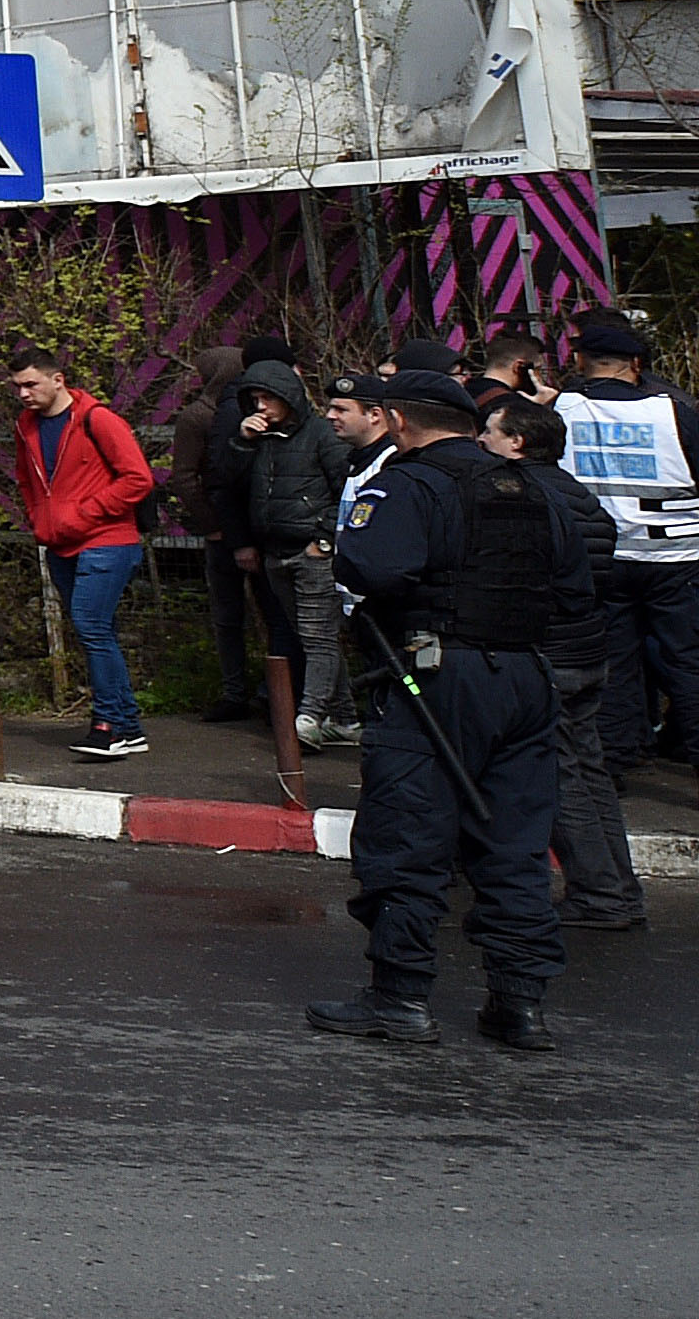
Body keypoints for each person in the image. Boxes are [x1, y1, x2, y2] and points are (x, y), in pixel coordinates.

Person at [311, 373, 567, 1045]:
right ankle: (519, 1003)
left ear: (395, 420)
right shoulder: (526, 485)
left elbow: (371, 568)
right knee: (514, 845)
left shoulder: (411, 483)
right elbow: (574, 581)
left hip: (437, 675)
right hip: (526, 675)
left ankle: (399, 997)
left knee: (407, 835)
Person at [486, 395, 643, 936]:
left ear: (517, 442)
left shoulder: (524, 498)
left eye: (491, 432)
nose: (483, 441)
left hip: (551, 656)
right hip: (585, 652)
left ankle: (602, 894)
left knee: (560, 776)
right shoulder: (579, 496)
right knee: (588, 772)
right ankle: (617, 889)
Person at [552, 309, 699, 775]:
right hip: (676, 556)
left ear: (582, 361)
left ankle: (612, 763)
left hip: (599, 556)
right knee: (688, 663)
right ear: (635, 363)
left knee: (613, 662)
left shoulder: (560, 410)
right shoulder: (673, 409)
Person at [8, 350, 156, 757]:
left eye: (31, 384)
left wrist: (86, 512)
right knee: (94, 630)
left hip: (108, 538)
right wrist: (41, 519)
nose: (23, 393)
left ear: (58, 380)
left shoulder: (97, 418)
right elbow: (25, 478)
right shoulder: (27, 426)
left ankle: (109, 723)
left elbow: (138, 478)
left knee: (91, 626)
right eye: (18, 385)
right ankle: (126, 724)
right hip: (60, 542)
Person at [220, 359, 348, 744]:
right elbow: (227, 482)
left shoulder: (322, 436)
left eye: (267, 398)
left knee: (317, 636)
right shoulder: (259, 438)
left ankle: (308, 716)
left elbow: (347, 489)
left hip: (311, 550)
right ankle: (344, 717)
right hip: (274, 549)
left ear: (287, 398)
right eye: (254, 399)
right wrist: (242, 441)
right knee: (307, 633)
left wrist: (323, 540)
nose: (260, 407)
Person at [166, 341, 263, 722]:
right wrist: (213, 526)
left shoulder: (254, 408)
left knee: (268, 614)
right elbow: (186, 478)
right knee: (228, 615)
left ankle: (271, 690)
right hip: (225, 529)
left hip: (256, 524)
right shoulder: (197, 419)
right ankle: (235, 690)